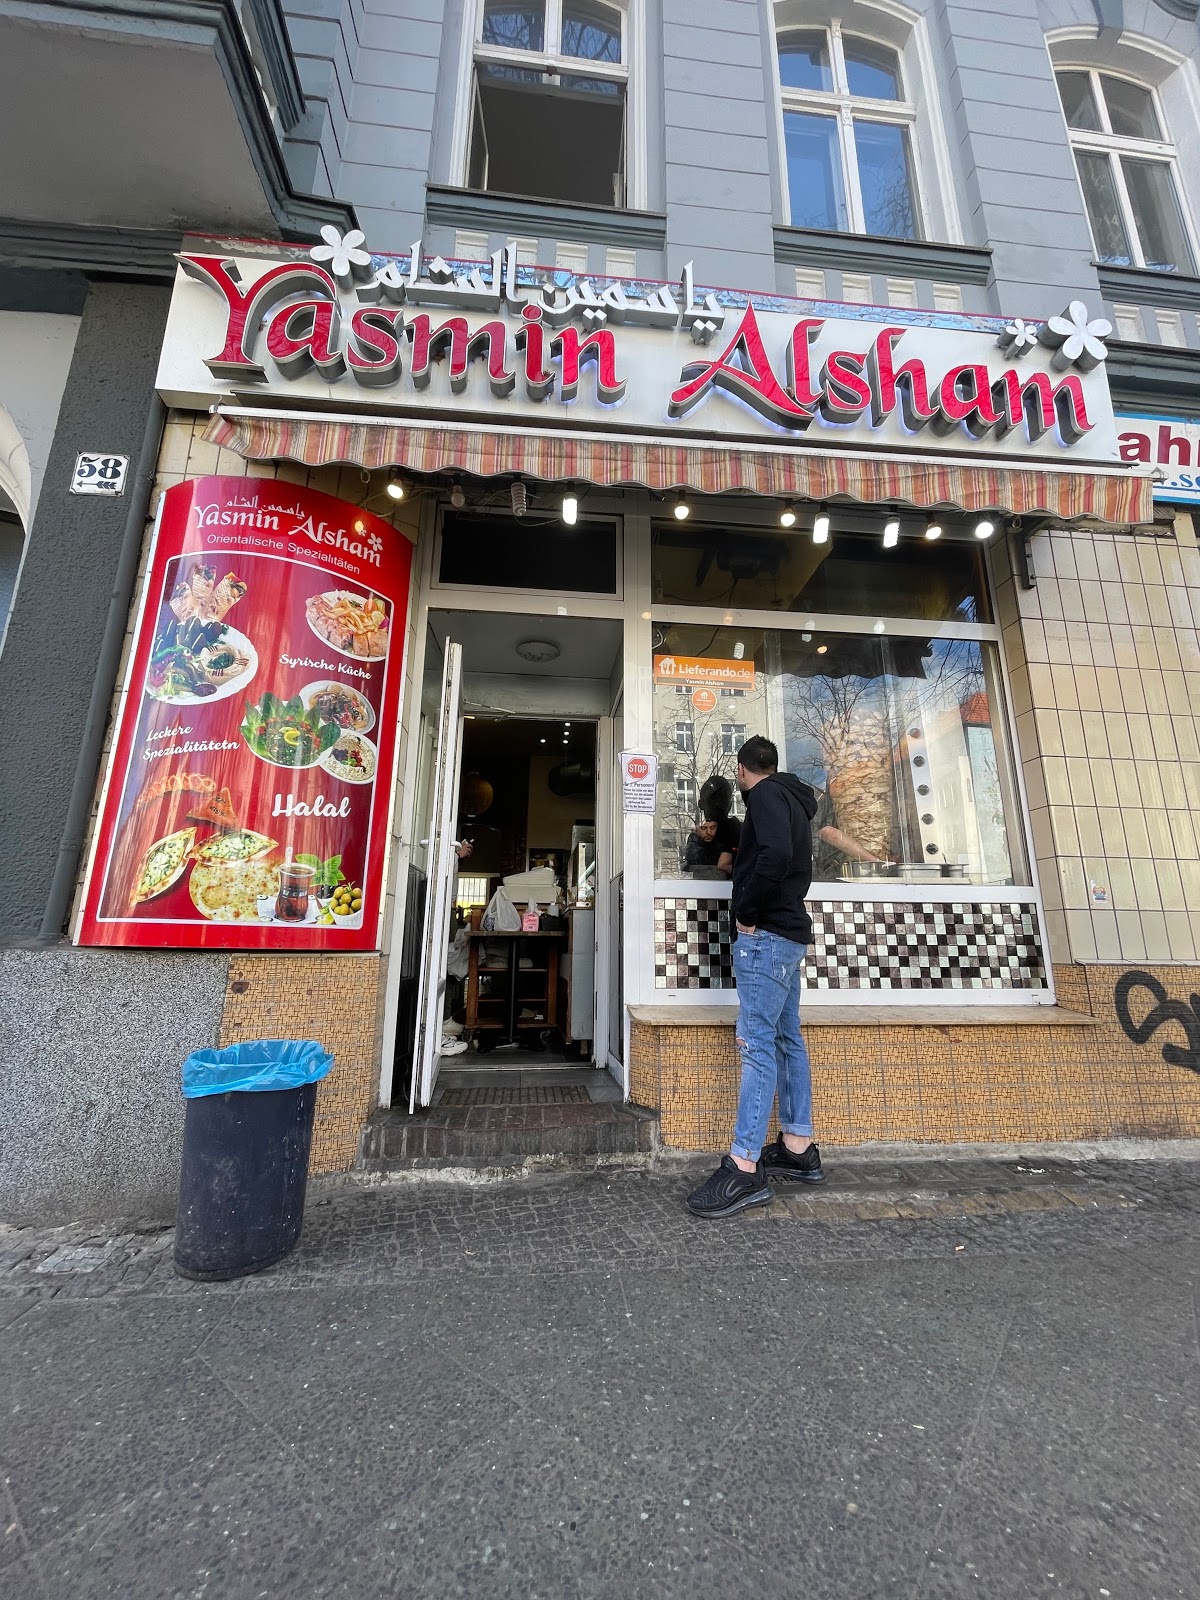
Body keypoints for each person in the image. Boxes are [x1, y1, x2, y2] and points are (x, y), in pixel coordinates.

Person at [686, 735, 824, 1218]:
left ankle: (744, 1166)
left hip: (765, 936)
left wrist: (745, 909)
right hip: (787, 934)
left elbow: (776, 857)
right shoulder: (794, 798)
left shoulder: (763, 795)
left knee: (756, 1045)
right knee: (787, 1039)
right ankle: (797, 1146)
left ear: (742, 771)